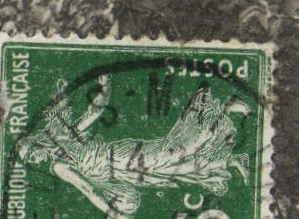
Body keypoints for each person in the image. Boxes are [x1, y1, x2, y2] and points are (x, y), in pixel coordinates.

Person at [16, 74, 250, 217]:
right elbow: (88, 188)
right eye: (30, 160)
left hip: (121, 156)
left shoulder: (68, 137)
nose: (35, 159)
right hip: (121, 175)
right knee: (177, 170)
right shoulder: (58, 166)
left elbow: (94, 112)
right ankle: (230, 159)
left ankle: (223, 108)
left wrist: (106, 89)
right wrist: (112, 212)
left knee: (175, 152)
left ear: (38, 143)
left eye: (32, 153)